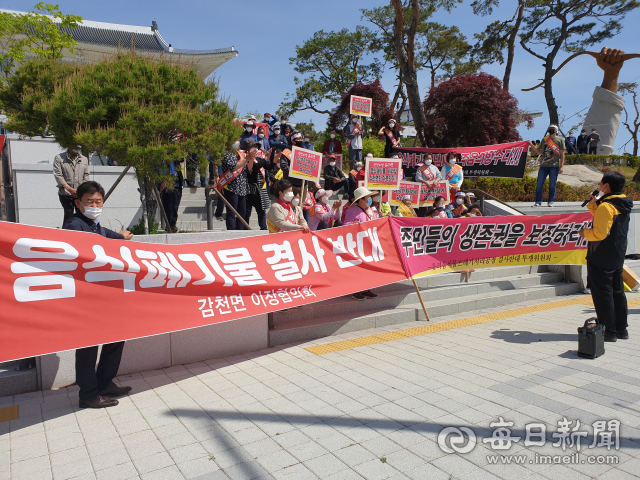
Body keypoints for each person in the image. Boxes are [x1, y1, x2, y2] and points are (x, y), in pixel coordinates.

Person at [63, 181, 133, 409]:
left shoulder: (95, 225)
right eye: (89, 202)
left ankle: (105, 383)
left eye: (98, 201)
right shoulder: (74, 226)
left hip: (104, 297)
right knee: (87, 347)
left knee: (117, 335)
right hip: (85, 299)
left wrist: (122, 237)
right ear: (78, 203)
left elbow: (111, 237)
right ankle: (89, 395)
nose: (94, 205)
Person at [579, 171, 633, 342]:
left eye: (600, 184)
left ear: (606, 186)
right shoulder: (620, 203)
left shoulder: (607, 206)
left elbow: (600, 233)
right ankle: (620, 329)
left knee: (603, 294)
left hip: (601, 256)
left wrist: (584, 233)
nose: (599, 186)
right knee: (617, 292)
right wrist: (593, 203)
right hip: (616, 254)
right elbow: (606, 221)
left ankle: (608, 331)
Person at [343, 186, 379, 300]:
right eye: (368, 197)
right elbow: (345, 225)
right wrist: (353, 225)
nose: (370, 199)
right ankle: (356, 290)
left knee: (368, 267)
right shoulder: (352, 210)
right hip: (357, 244)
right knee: (358, 268)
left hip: (369, 243)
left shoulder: (370, 210)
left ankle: (366, 288)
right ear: (361, 199)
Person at [53, 147, 90, 227]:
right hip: (65, 193)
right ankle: (65, 234)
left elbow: (86, 176)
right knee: (68, 213)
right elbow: (58, 175)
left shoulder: (84, 159)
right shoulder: (59, 158)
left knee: (81, 215)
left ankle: (81, 233)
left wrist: (79, 190)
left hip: (79, 194)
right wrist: (69, 189)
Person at [530, 124, 565, 207]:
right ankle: (538, 202)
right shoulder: (545, 139)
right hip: (544, 166)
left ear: (556, 130)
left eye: (552, 129)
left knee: (552, 185)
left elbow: (562, 154)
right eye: (549, 128)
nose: (550, 130)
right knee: (539, 184)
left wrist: (562, 166)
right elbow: (539, 152)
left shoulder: (560, 140)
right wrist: (531, 145)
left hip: (554, 166)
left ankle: (551, 201)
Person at [221, 140, 250, 230]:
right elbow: (233, 167)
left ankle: (240, 232)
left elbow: (248, 169)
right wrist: (246, 160)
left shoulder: (241, 154)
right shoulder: (226, 154)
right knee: (231, 213)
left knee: (242, 213)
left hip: (242, 187)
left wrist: (250, 160)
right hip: (231, 187)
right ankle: (232, 233)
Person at [243, 139, 270, 230]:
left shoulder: (258, 159)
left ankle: (263, 228)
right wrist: (265, 159)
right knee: (247, 212)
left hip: (259, 190)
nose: (255, 149)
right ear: (247, 150)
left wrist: (273, 160)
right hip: (248, 190)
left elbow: (267, 166)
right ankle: (245, 229)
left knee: (261, 211)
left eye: (256, 147)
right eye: (252, 147)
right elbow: (255, 167)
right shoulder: (244, 159)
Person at [158, 159, 184, 232]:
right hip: (167, 180)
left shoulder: (174, 151)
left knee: (175, 204)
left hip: (177, 179)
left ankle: (172, 224)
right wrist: (164, 179)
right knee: (168, 205)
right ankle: (170, 225)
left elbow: (181, 158)